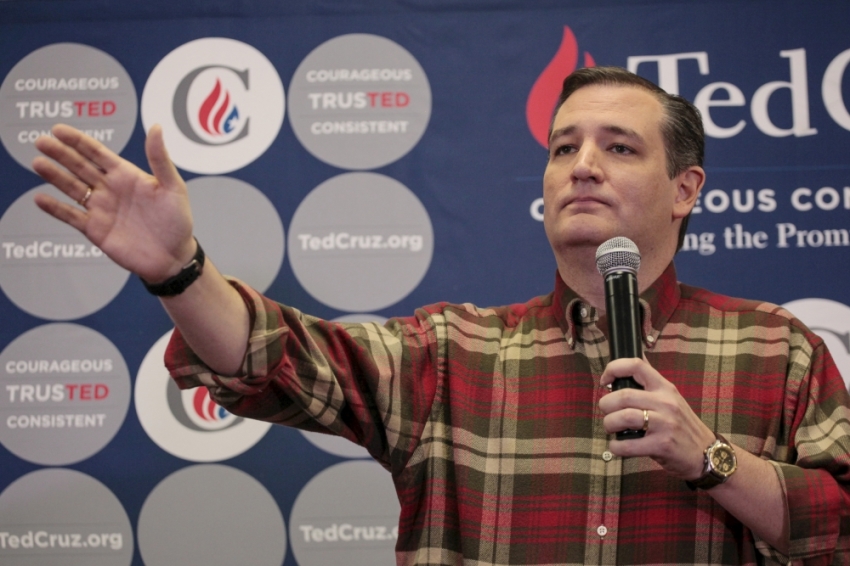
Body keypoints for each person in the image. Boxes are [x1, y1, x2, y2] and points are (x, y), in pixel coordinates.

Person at [32, 67, 850, 565]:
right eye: (563, 147)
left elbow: (839, 528)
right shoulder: (455, 351)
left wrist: (708, 455)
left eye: (620, 147)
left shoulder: (777, 348)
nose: (583, 167)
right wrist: (181, 271)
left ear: (686, 192)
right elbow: (278, 358)